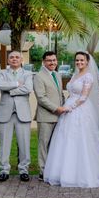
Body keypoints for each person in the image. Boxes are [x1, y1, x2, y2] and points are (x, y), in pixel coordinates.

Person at [44, 51, 99, 188]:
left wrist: (70, 107)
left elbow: (83, 97)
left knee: (80, 140)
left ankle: (81, 174)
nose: (79, 63)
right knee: (64, 140)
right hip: (68, 108)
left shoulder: (88, 76)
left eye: (82, 60)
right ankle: (63, 172)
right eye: (77, 60)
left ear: (87, 61)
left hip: (79, 110)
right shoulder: (75, 74)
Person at [0, 51, 33, 182]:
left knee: (24, 143)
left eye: (17, 57)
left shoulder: (28, 74)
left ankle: (24, 170)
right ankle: (4, 170)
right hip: (5, 113)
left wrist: (10, 90)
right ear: (8, 60)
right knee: (4, 143)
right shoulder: (2, 73)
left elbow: (28, 88)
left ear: (21, 59)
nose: (14, 59)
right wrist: (17, 84)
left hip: (22, 113)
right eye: (11, 57)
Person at [33, 51, 65, 181]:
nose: (52, 63)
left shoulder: (57, 75)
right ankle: (43, 171)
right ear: (44, 62)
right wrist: (56, 108)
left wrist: (65, 106)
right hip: (46, 116)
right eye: (49, 60)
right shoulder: (39, 76)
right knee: (44, 145)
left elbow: (60, 94)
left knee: (55, 145)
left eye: (54, 60)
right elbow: (41, 98)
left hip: (59, 116)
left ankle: (53, 169)